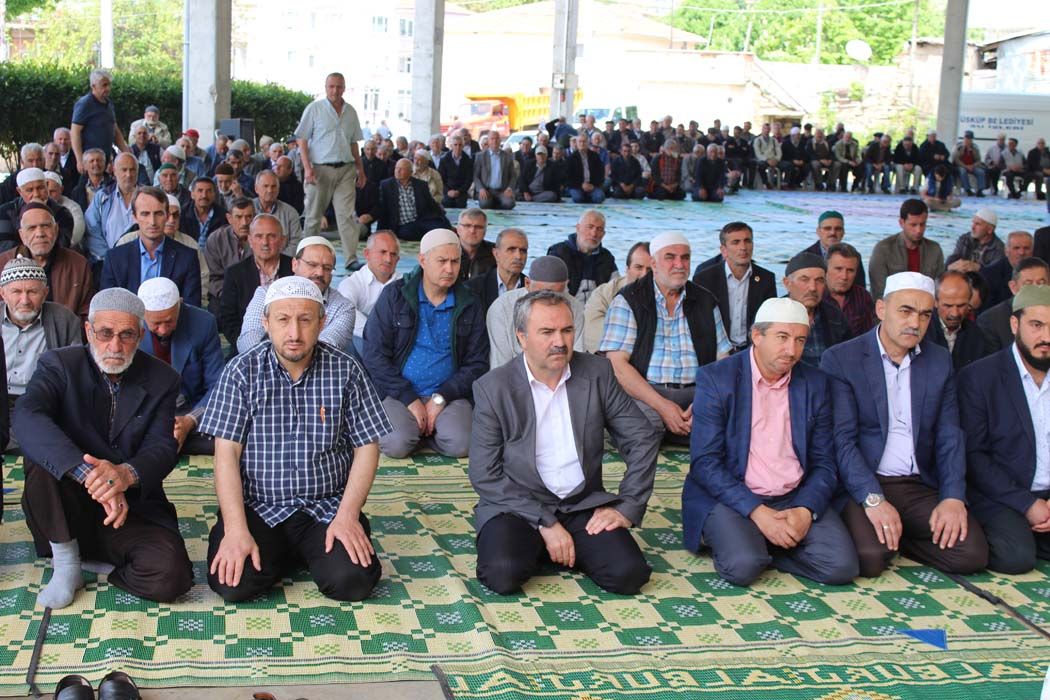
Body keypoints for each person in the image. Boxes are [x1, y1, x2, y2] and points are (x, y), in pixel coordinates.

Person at [203, 276, 391, 602]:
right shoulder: (241, 371)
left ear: (322, 322)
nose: (294, 333)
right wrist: (234, 529)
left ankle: (303, 552)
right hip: (258, 507)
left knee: (352, 582)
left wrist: (347, 516)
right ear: (266, 323)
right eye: (283, 320)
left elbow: (366, 447)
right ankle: (286, 553)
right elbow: (226, 454)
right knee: (234, 585)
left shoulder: (346, 370)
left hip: (326, 508)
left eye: (305, 320)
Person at [14, 288, 194, 608]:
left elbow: (162, 446)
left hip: (128, 508)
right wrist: (88, 475)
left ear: (141, 335)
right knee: (41, 457)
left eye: (126, 335)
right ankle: (67, 561)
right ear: (88, 331)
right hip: (64, 505)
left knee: (171, 576)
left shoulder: (162, 378)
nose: (115, 346)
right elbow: (27, 416)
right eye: (105, 333)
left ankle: (96, 562)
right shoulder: (59, 365)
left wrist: (125, 475)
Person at [470, 290, 659, 595]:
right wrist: (545, 522)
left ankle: (553, 548)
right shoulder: (494, 388)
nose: (560, 341)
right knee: (502, 573)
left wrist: (627, 506)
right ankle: (542, 543)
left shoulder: (597, 373)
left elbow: (642, 437)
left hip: (580, 504)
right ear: (522, 337)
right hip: (518, 507)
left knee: (628, 574)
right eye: (547, 332)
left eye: (567, 330)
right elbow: (484, 474)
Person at [821, 272, 989, 578]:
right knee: (870, 558)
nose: (915, 323)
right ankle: (892, 537)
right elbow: (842, 441)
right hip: (865, 482)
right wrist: (873, 499)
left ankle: (903, 538)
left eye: (925, 315)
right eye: (906, 311)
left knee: (971, 553)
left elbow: (950, 435)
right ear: (881, 309)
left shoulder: (938, 360)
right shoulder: (842, 359)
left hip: (917, 485)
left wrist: (952, 497)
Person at [685, 298, 859, 587]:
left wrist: (805, 509)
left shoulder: (815, 383)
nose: (791, 350)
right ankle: (758, 543)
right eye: (782, 337)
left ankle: (767, 545)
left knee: (841, 566)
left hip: (793, 495)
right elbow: (705, 463)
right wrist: (757, 512)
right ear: (757, 335)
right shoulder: (717, 379)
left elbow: (824, 463)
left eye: (800, 340)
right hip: (734, 494)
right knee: (743, 566)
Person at [363, 229, 488, 459]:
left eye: (455, 261)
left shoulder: (469, 302)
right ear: (422, 260)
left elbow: (477, 362)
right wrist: (409, 398)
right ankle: (420, 429)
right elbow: (374, 355)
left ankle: (426, 429)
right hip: (399, 394)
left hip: (449, 396)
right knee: (396, 444)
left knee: (462, 444)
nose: (449, 269)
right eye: (442, 261)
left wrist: (441, 398)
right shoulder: (395, 296)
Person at [601, 232, 730, 445]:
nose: (679, 264)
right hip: (645, 395)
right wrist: (662, 406)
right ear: (653, 263)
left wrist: (703, 403)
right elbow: (617, 366)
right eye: (670, 257)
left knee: (734, 422)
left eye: (685, 258)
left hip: (698, 394)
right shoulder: (628, 300)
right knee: (645, 427)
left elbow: (723, 362)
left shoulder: (706, 300)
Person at [959, 285, 1050, 573]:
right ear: (1014, 324)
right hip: (1003, 494)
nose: (1046, 337)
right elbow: (974, 455)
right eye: (1036, 325)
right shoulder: (980, 377)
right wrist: (1027, 504)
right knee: (1016, 557)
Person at [136, 277, 223, 456]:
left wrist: (190, 420)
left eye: (169, 321)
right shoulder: (131, 326)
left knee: (228, 439)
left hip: (191, 407)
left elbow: (218, 384)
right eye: (156, 324)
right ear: (142, 315)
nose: (163, 330)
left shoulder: (204, 323)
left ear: (179, 306)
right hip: (146, 411)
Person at [295, 73, 367, 268]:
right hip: (319, 169)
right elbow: (301, 139)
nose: (335, 90)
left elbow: (354, 143)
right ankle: (306, 257)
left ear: (344, 88)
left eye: (339, 86)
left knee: (347, 216)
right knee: (313, 216)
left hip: (346, 169)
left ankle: (351, 259)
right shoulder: (314, 109)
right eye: (332, 86)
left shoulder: (351, 111)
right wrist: (307, 168)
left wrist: (360, 169)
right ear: (325, 87)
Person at [237, 237, 355, 354]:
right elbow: (249, 339)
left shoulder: (343, 307)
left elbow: (325, 350)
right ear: (294, 264)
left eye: (327, 268)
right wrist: (270, 362)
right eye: (312, 264)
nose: (319, 273)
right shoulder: (266, 294)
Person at [0, 258, 80, 427]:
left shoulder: (64, 319)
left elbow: (75, 371)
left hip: (39, 403)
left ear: (45, 293)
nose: (25, 300)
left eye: (32, 292)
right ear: (3, 294)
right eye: (16, 292)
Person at [99, 187, 202, 307]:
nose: (152, 222)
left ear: (167, 215)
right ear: (134, 217)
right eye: (145, 214)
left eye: (158, 213)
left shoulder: (187, 258)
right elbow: (108, 307)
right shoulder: (115, 258)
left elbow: (191, 308)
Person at [0, 204, 93, 322]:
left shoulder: (78, 265)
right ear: (22, 235)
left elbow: (87, 312)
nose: (40, 234)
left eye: (45, 226)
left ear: (56, 230)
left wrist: (68, 330)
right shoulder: (3, 263)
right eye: (32, 228)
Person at [487, 256, 585, 368]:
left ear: (566, 286)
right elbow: (500, 365)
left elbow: (577, 360)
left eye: (557, 295)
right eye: (541, 295)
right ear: (527, 283)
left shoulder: (575, 307)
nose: (549, 301)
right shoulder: (502, 308)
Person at [692, 222, 776, 352]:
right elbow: (698, 321)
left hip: (752, 350)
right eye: (736, 242)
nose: (743, 247)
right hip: (716, 350)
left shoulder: (766, 278)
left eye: (747, 241)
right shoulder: (704, 279)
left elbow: (769, 320)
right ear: (723, 250)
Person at [219, 214, 293, 347]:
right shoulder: (235, 273)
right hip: (247, 347)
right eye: (259, 236)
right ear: (250, 240)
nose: (265, 242)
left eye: (271, 236)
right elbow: (228, 319)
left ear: (282, 240)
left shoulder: (295, 269)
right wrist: (247, 346)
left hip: (291, 343)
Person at [337, 230, 402, 355]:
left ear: (398, 259)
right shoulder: (351, 283)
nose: (388, 259)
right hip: (363, 345)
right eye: (383, 252)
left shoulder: (405, 285)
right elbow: (346, 314)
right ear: (367, 254)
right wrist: (379, 332)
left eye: (393, 254)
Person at [782, 252, 852, 366]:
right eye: (804, 279)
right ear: (787, 283)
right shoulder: (773, 315)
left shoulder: (835, 316)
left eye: (819, 281)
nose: (813, 288)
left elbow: (848, 357)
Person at [869, 199, 945, 299]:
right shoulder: (883, 250)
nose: (919, 230)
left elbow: (940, 289)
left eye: (922, 224)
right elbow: (879, 292)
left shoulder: (935, 250)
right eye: (913, 225)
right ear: (901, 223)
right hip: (894, 305)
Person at [584, 242, 652, 353]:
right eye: (638, 267)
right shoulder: (603, 293)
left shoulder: (669, 295)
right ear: (627, 269)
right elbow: (592, 332)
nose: (644, 274)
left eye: (650, 270)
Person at [978, 257, 1050, 353]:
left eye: (1041, 283)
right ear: (1013, 287)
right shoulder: (991, 321)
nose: (1035, 290)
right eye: (1028, 285)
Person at [546, 210, 618, 305]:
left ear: (603, 234)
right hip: (565, 308)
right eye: (590, 227)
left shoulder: (607, 258)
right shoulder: (558, 253)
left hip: (598, 310)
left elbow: (616, 289)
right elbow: (551, 291)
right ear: (578, 228)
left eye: (599, 229)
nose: (594, 233)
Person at [84, 153, 141, 268]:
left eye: (132, 170)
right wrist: (110, 258)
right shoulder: (102, 197)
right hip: (108, 263)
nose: (128, 174)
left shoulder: (148, 197)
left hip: (141, 262)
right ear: (114, 171)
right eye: (124, 170)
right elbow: (92, 231)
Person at [0, 167, 76, 253]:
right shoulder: (5, 212)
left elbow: (60, 246)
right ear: (20, 191)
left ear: (47, 185)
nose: (36, 194)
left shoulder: (62, 213)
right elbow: (3, 246)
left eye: (40, 188)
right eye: (29, 190)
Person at [924, 270, 987, 371]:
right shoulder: (922, 330)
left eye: (961, 305)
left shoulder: (976, 335)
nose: (955, 313)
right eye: (948, 306)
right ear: (935, 302)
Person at [377, 158, 452, 241]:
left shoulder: (421, 185)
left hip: (422, 219)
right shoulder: (386, 185)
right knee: (406, 233)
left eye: (402, 169)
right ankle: (428, 236)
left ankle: (431, 234)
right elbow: (383, 210)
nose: (397, 171)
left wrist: (442, 216)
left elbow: (432, 204)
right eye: (396, 168)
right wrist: (380, 232)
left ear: (410, 172)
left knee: (442, 227)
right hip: (404, 224)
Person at [203, 197, 254, 310]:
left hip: (256, 295)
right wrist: (230, 294)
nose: (244, 223)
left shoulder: (261, 239)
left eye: (248, 216)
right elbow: (212, 278)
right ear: (229, 218)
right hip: (224, 295)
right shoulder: (216, 239)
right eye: (239, 217)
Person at [70, 68, 128, 168]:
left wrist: (126, 152)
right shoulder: (85, 104)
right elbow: (75, 132)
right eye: (104, 85)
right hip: (90, 160)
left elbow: (115, 129)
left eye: (109, 85)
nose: (108, 88)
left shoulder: (109, 104)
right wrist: (79, 160)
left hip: (105, 158)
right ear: (93, 86)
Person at [465, 228, 527, 314]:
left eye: (523, 251)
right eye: (511, 250)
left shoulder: (532, 289)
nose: (518, 256)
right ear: (496, 254)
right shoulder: (473, 288)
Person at [824, 243, 876, 337]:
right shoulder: (815, 295)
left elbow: (868, 336)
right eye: (838, 269)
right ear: (825, 269)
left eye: (850, 270)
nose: (844, 276)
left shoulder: (863, 297)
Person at [253, 170, 302, 256]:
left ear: (278, 189)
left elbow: (296, 243)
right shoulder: (247, 210)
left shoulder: (290, 212)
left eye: (274, 186)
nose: (270, 190)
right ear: (256, 188)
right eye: (265, 186)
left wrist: (277, 260)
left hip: (283, 261)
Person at [982, 230, 1034, 307]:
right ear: (1006, 251)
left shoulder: (1041, 272)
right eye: (1016, 248)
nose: (1021, 252)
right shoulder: (989, 275)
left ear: (1032, 251)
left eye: (1026, 248)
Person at [946, 208, 1004, 275]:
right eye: (973, 223)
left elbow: (995, 274)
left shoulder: (999, 249)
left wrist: (978, 268)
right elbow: (954, 258)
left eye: (978, 224)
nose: (972, 227)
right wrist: (950, 266)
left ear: (990, 230)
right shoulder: (965, 239)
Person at [473, 131, 517, 210]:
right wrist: (481, 189)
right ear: (488, 141)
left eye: (497, 139)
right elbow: (475, 176)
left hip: (502, 190)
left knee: (510, 204)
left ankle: (496, 202)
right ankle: (494, 202)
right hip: (487, 190)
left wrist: (509, 188)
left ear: (500, 140)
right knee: (484, 204)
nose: (494, 141)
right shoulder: (480, 156)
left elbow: (513, 175)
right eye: (492, 139)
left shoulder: (507, 156)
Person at [455, 208, 495, 282]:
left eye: (478, 227)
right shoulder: (446, 252)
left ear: (485, 230)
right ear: (458, 229)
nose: (472, 231)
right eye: (467, 226)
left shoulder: (496, 253)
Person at [565, 135, 606, 204]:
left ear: (588, 143)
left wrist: (592, 186)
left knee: (600, 197)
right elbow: (568, 177)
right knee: (578, 198)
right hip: (577, 186)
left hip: (592, 185)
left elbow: (601, 173)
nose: (582, 144)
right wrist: (581, 185)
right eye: (580, 142)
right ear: (576, 143)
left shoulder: (595, 156)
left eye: (584, 141)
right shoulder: (571, 158)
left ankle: (588, 195)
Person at [437, 133, 473, 208]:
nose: (458, 147)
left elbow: (469, 180)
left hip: (461, 191)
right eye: (455, 145)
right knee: (446, 202)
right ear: (451, 146)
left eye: (460, 145)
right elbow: (440, 178)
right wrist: (448, 191)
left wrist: (459, 191)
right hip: (448, 190)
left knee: (460, 204)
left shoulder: (468, 160)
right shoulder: (444, 159)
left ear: (463, 146)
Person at [952, 130, 986, 196]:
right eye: (966, 138)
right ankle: (967, 190)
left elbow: (978, 160)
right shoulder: (959, 147)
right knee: (963, 172)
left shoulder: (975, 147)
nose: (968, 140)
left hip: (972, 166)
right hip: (961, 166)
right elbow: (956, 159)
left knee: (981, 172)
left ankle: (980, 190)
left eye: (969, 139)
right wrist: (965, 166)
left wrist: (973, 165)